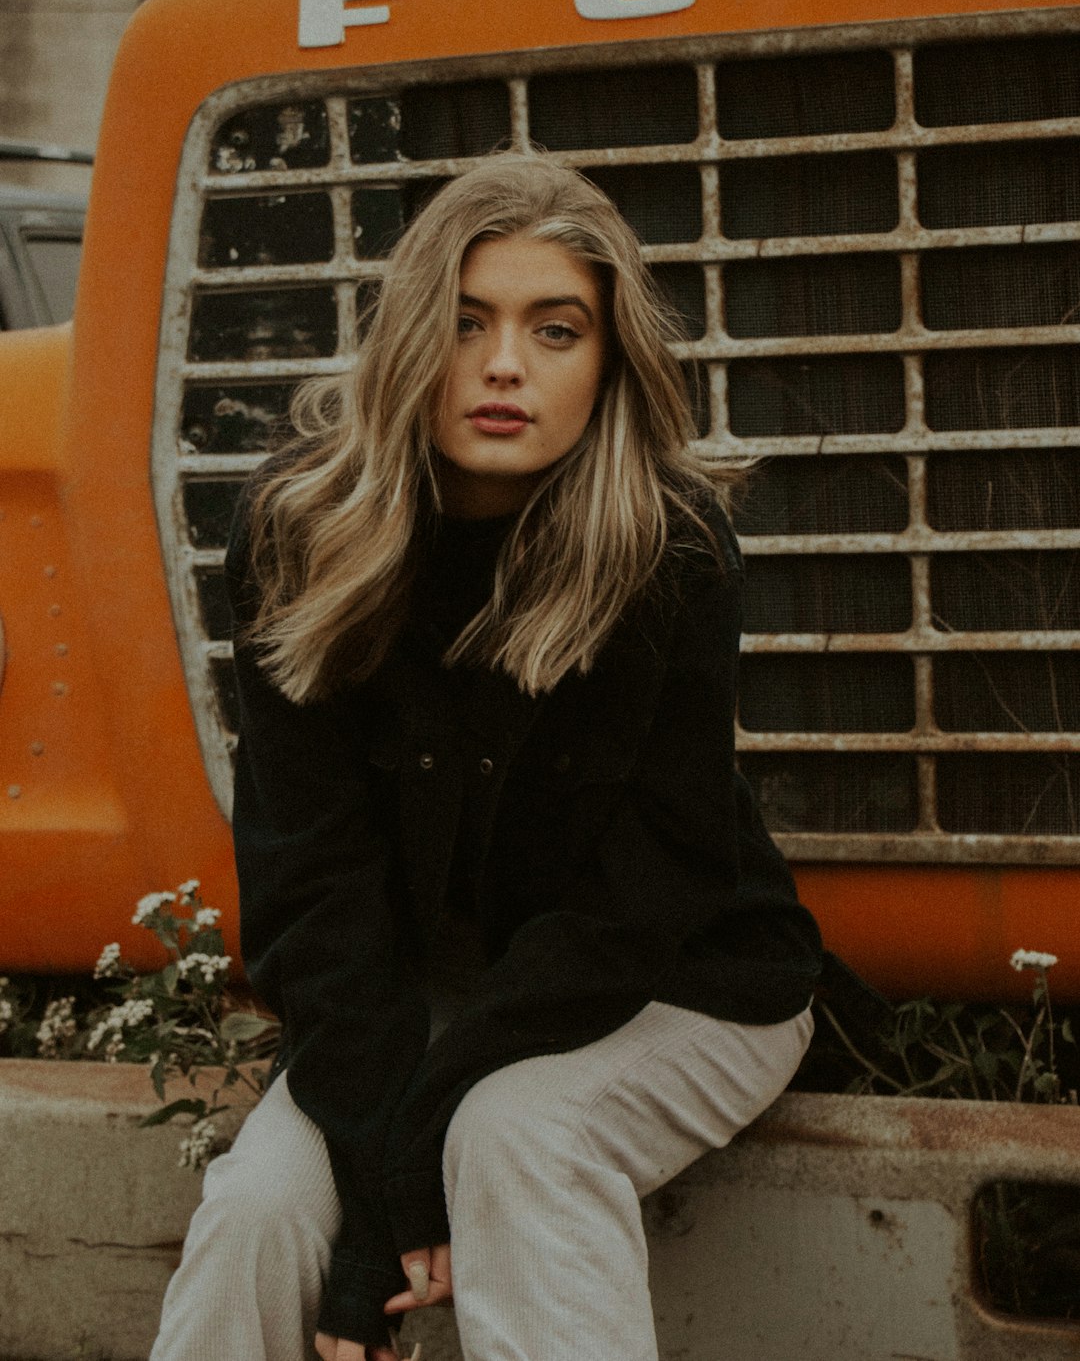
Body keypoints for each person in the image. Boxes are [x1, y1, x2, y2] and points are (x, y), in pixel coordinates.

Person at [150, 153, 823, 1361]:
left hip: (678, 978)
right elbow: (311, 890)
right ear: (412, 339)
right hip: (417, 988)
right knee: (257, 1212)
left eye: (554, 330)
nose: (504, 364)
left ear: (610, 361)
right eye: (467, 324)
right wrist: (383, 1189)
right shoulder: (299, 532)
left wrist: (403, 1181)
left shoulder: (667, 548)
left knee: (515, 1134)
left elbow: (651, 892)